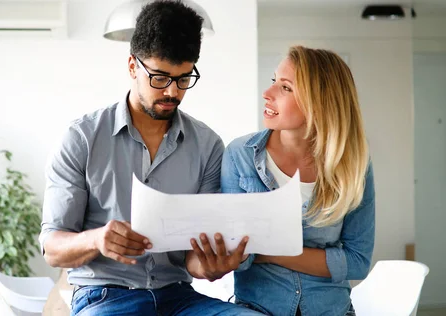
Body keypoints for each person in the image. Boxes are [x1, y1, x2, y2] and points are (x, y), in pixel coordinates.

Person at [39, 1, 261, 315]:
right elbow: (52, 248)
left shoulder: (209, 145)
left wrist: (212, 266)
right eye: (159, 77)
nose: (173, 91)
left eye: (184, 79)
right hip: (106, 296)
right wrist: (96, 240)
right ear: (132, 66)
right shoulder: (82, 138)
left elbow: (193, 261)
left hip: (180, 297)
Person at [196, 45, 375, 316]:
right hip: (257, 310)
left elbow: (357, 261)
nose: (267, 94)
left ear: (319, 101)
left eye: (285, 88)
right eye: (273, 82)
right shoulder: (239, 155)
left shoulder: (354, 165)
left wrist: (267, 251)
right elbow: (240, 259)